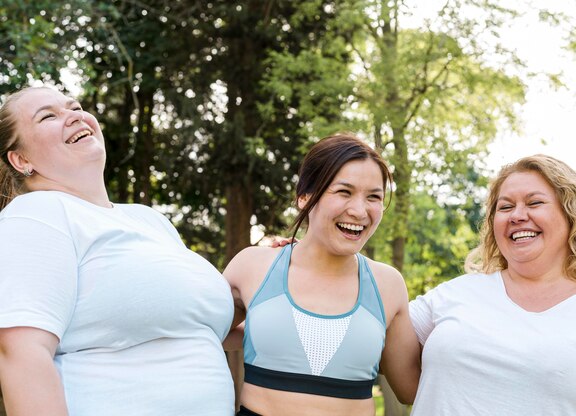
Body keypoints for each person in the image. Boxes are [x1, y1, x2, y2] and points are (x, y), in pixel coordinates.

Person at [0, 86, 235, 415]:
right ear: (21, 159)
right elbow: (21, 351)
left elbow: (188, 324)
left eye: (75, 106)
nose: (74, 116)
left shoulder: (149, 220)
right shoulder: (38, 213)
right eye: (48, 116)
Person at [409, 154, 576, 415]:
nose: (518, 215)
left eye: (534, 202)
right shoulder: (454, 293)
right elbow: (374, 335)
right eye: (505, 207)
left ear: (572, 215)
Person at [223, 133, 421, 416]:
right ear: (305, 197)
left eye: (374, 197)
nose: (359, 210)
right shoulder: (253, 265)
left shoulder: (388, 284)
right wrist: (260, 334)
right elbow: (196, 331)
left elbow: (408, 388)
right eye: (344, 192)